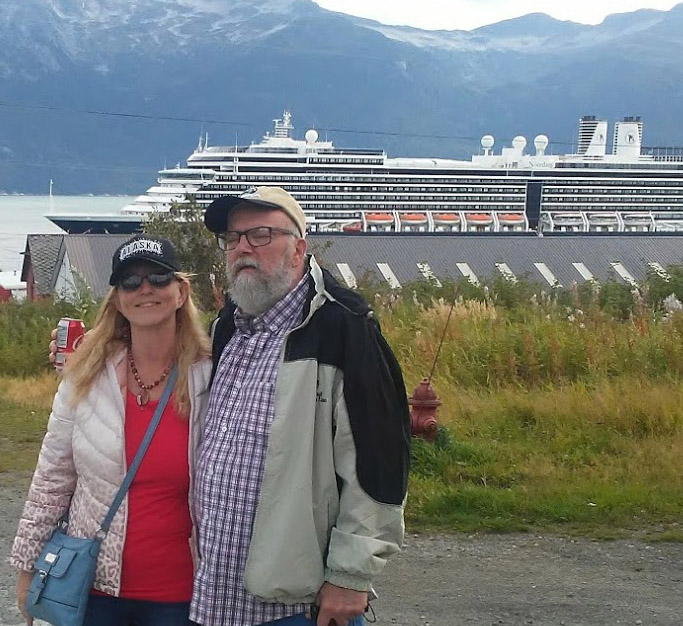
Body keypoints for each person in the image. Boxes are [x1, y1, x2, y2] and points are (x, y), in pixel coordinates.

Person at [192, 186, 411, 626]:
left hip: (297, 604)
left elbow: (380, 461)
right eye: (233, 238)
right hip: (215, 595)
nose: (242, 249)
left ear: (299, 249)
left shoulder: (343, 327)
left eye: (260, 235)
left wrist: (351, 575)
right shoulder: (227, 328)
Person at [12, 235, 212, 626]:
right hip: (94, 590)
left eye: (159, 277)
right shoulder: (85, 376)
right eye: (130, 281)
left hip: (182, 595)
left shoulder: (212, 376)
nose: (145, 289)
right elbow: (52, 479)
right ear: (118, 300)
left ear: (181, 292)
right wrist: (27, 568)